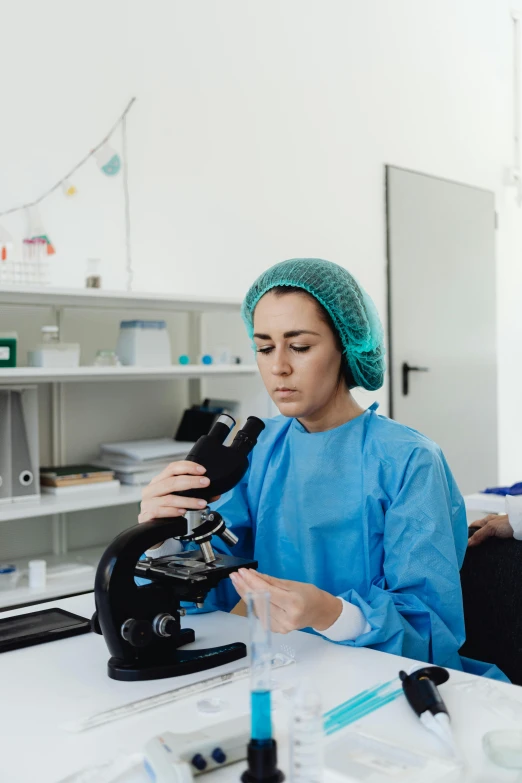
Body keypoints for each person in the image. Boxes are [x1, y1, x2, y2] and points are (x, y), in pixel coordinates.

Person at [140, 257, 505, 680]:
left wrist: (331, 613)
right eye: (263, 347)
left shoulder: (410, 460)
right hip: (273, 668)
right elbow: (215, 588)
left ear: (345, 347)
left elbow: (428, 630)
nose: (278, 366)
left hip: (381, 680)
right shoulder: (258, 451)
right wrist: (160, 538)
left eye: (299, 346)